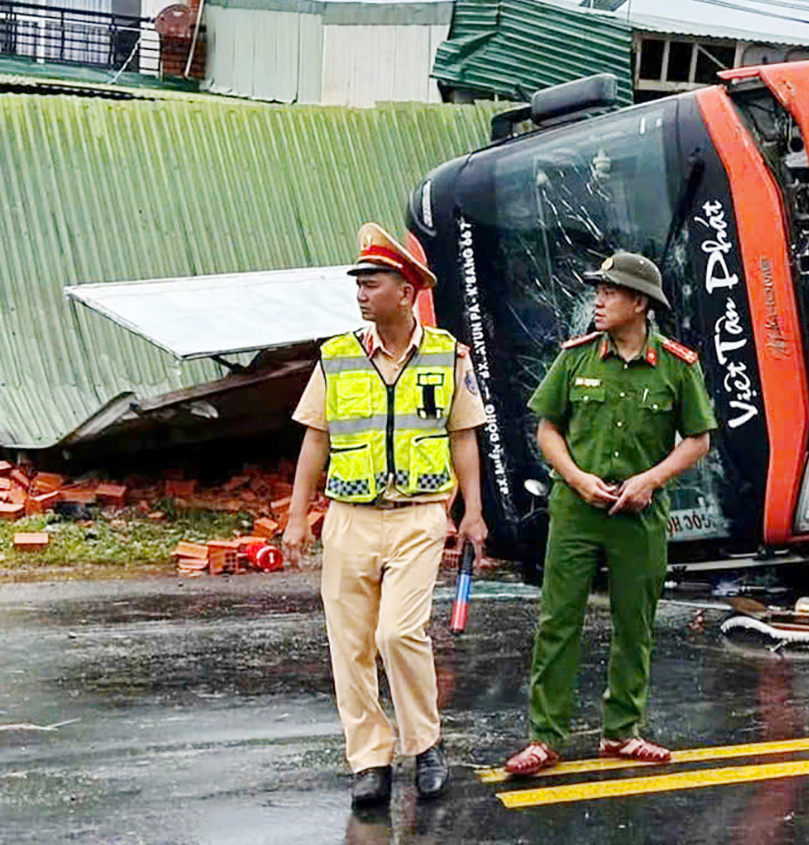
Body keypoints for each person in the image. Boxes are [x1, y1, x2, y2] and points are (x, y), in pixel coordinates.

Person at [283, 224, 489, 810]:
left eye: (371, 283)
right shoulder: (337, 357)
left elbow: (464, 438)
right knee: (348, 643)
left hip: (420, 514)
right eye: (359, 284)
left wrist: (472, 512)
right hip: (349, 517)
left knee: (398, 633)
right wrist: (299, 516)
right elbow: (315, 442)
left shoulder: (449, 356)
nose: (360, 293)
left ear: (407, 291)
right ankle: (369, 759)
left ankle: (425, 746)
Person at [502, 253, 717, 777]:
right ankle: (544, 738)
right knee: (558, 620)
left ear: (639, 303)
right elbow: (547, 428)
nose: (598, 300)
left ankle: (623, 732)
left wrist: (651, 480)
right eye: (598, 291)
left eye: (610, 292)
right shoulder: (576, 358)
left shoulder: (675, 365)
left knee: (634, 623)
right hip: (576, 510)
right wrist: (575, 477)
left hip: (639, 514)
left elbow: (698, 439)